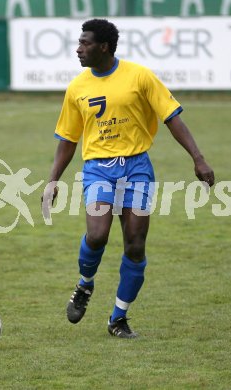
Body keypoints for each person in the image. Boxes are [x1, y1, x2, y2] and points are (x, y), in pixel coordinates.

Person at [41, 19, 214, 338]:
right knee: (97, 236)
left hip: (136, 169)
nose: (78, 49)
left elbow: (172, 117)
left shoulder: (139, 76)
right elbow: (68, 138)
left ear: (104, 47)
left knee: (135, 245)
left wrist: (198, 158)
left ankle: (118, 318)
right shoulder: (78, 87)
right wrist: (53, 179)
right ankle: (85, 284)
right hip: (97, 168)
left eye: (85, 43)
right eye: (78, 43)